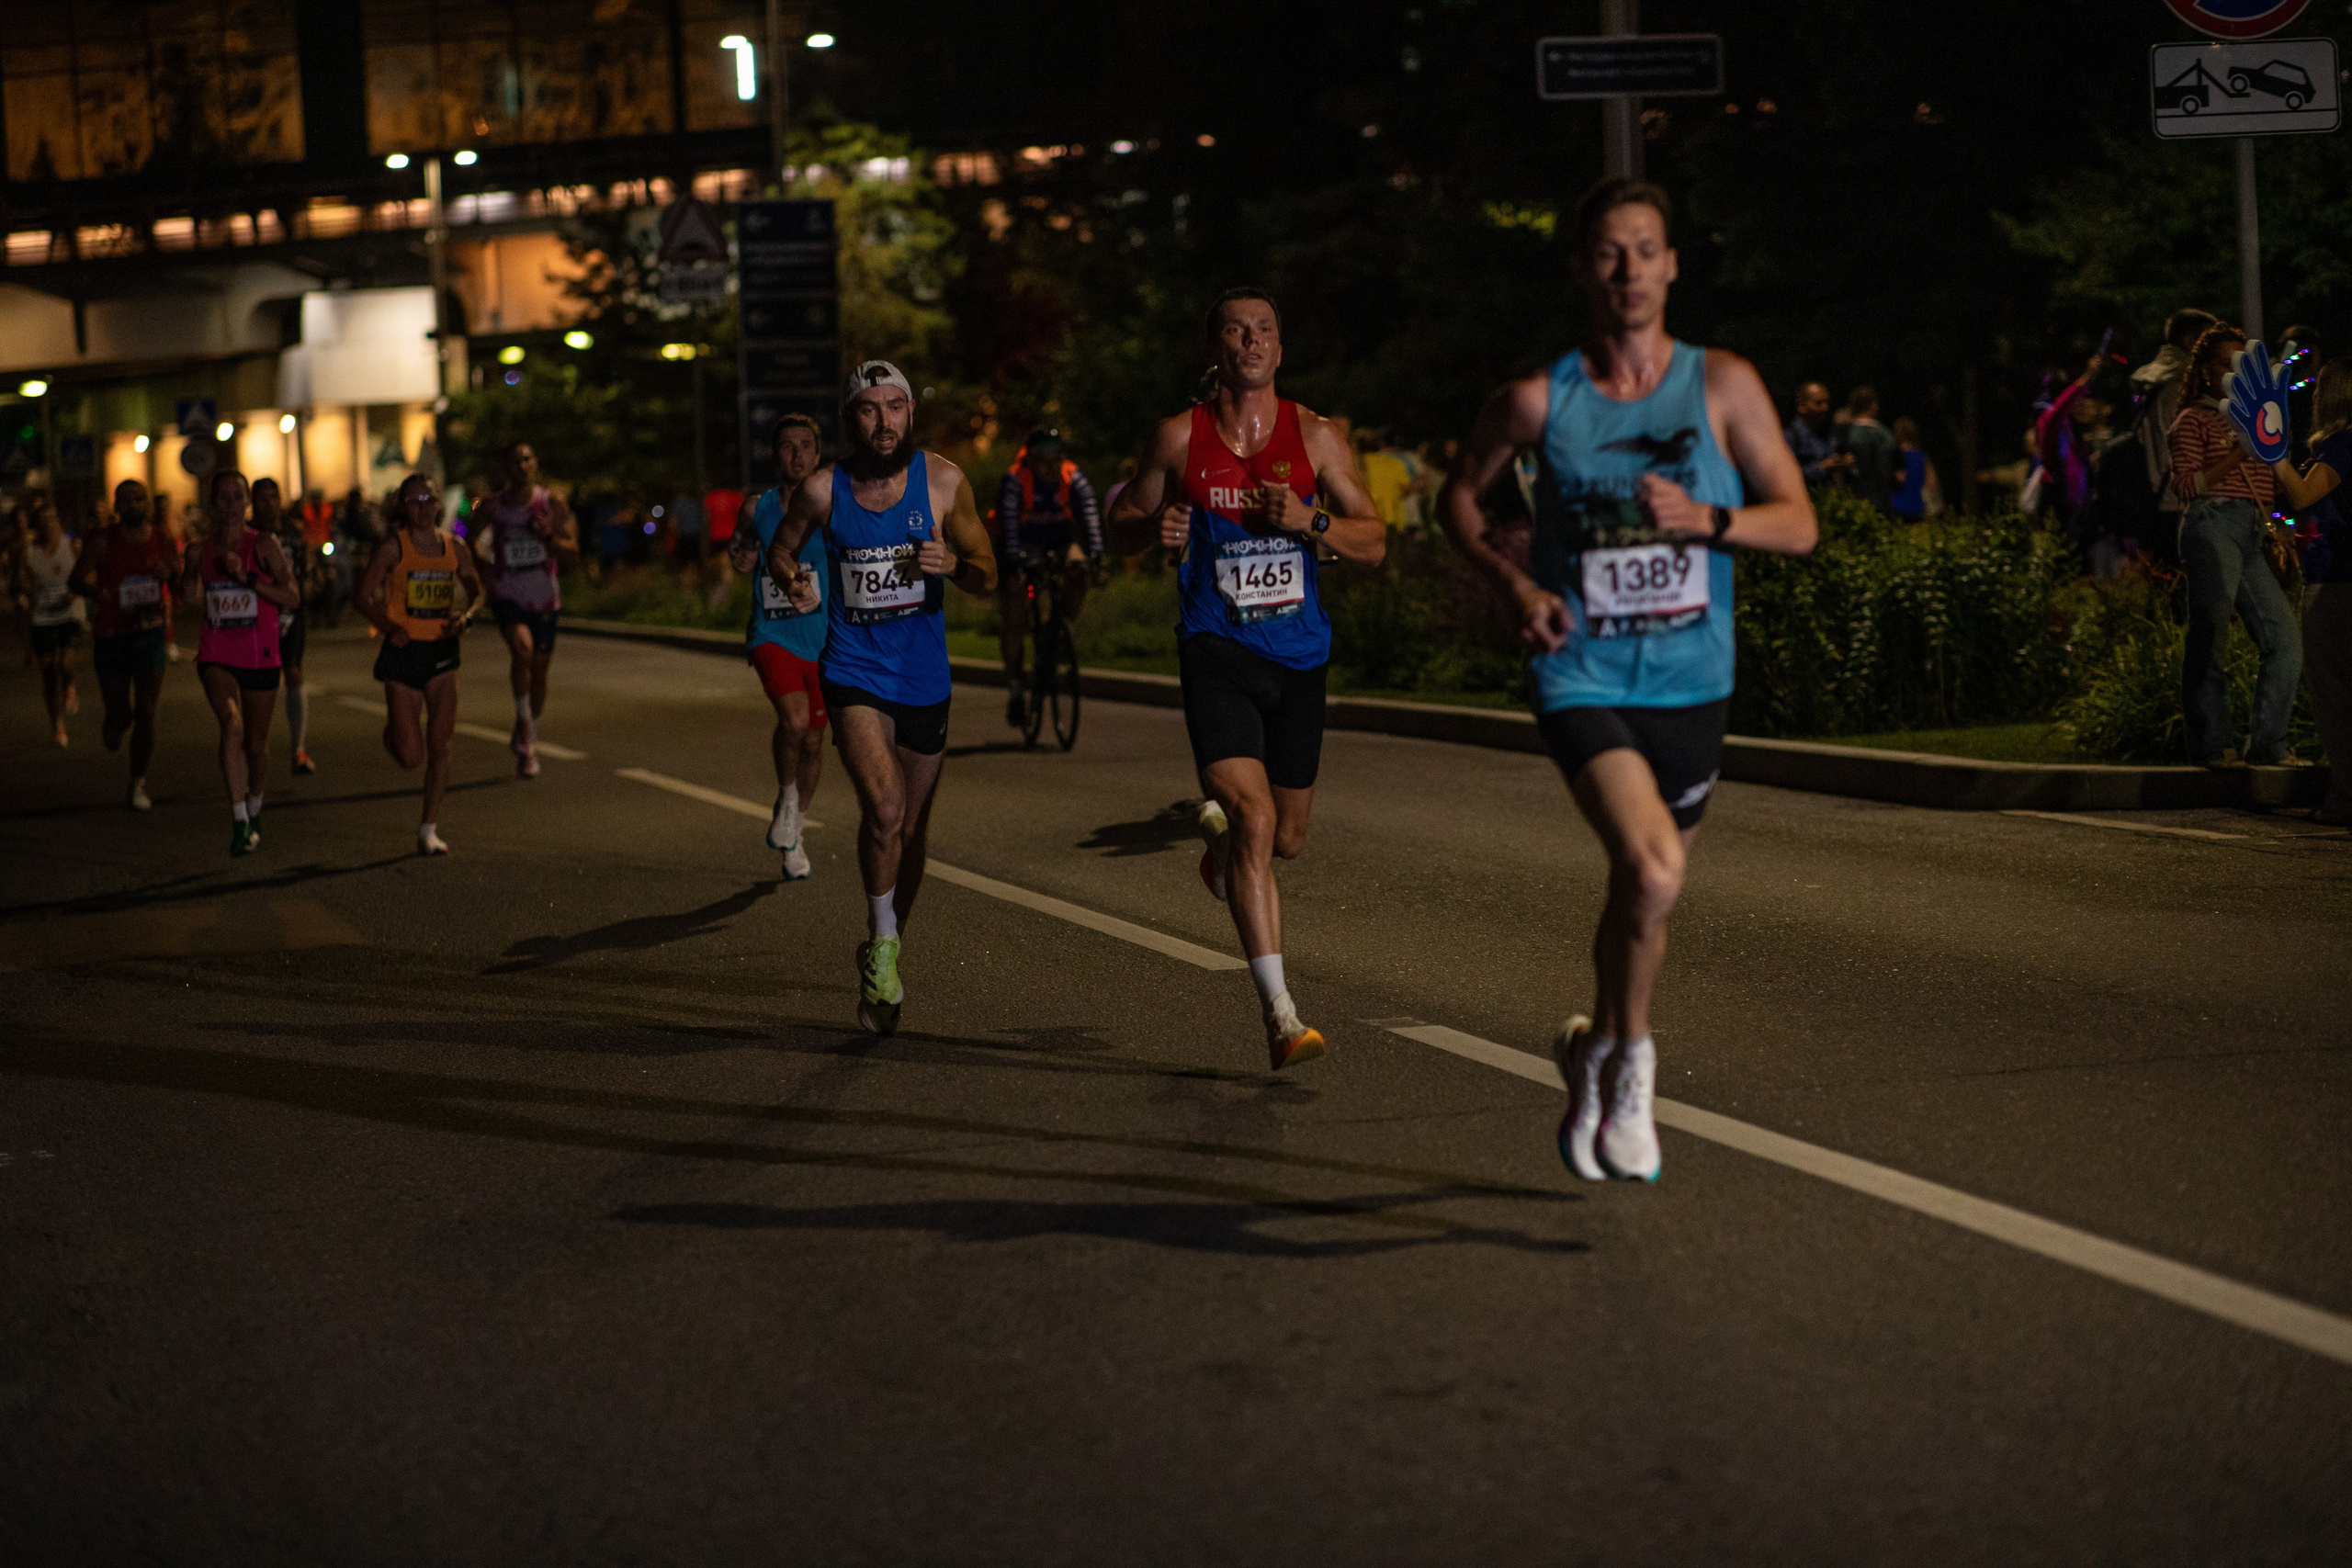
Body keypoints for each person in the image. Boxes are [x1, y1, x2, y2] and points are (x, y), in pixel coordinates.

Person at [1441, 179, 1817, 1182]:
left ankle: (1590, 1049)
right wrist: (1516, 587)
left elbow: (1799, 520)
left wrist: (1710, 521)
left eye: (1647, 250)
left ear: (1672, 266)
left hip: (1693, 679)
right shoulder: (1536, 401)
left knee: (1640, 896)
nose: (1629, 270)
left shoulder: (1723, 384)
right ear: (1581, 270)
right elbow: (1458, 502)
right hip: (1582, 671)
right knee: (1653, 870)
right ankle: (1635, 1063)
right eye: (1610, 252)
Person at [1105, 288, 1389, 1071]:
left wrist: (1312, 521)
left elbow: (1374, 544)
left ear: (1280, 348)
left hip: (1298, 658)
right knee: (1258, 819)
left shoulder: (1318, 436)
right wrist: (1150, 527)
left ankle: (1225, 851)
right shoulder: (1177, 436)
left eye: (1265, 328)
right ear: (1215, 350)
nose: (1252, 339)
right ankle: (1281, 1014)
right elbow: (1124, 522)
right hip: (1215, 647)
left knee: (1285, 839)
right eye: (1236, 328)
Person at [770, 362, 997, 1034]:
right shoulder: (821, 490)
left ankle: (886, 938)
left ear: (910, 415)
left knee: (912, 830)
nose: (884, 421)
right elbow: (781, 552)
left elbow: (989, 571)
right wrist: (795, 582)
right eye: (868, 410)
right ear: (850, 420)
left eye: (895, 406)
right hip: (853, 670)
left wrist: (956, 567)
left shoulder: (945, 482)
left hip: (924, 678)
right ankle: (882, 936)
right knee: (886, 808)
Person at [2167, 322, 2301, 768]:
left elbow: (2270, 489)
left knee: (2284, 638)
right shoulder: (2192, 420)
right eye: (2225, 365)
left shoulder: (2255, 420)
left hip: (2249, 528)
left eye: (2240, 366)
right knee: (2211, 632)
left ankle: (2267, 743)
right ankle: (2212, 744)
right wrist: (2242, 450)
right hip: (2211, 521)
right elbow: (2186, 486)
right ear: (2205, 371)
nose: (2233, 374)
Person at [359, 473, 483, 855]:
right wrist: (387, 626)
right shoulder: (393, 549)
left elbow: (478, 590)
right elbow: (362, 596)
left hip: (443, 654)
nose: (422, 508)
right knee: (411, 757)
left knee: (440, 747)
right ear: (403, 508)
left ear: (439, 505)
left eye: (428, 500)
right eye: (413, 501)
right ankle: (393, 734)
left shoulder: (455, 547)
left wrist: (466, 617)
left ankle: (428, 828)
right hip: (403, 653)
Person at [730, 413, 831, 880]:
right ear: (775, 455)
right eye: (786, 447)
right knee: (793, 719)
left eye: (805, 446)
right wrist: (743, 555)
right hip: (773, 633)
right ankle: (788, 796)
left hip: (825, 637)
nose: (796, 456)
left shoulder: (833, 507)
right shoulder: (758, 507)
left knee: (814, 740)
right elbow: (740, 554)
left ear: (817, 453)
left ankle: (796, 824)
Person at [182, 470, 300, 856]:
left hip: (259, 652)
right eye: (223, 497)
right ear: (213, 502)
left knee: (255, 746)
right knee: (231, 726)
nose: (230, 505)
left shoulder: (263, 544)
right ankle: (237, 820)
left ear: (247, 501)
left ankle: (254, 805)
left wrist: (248, 579)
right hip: (216, 650)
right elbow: (187, 596)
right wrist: (184, 576)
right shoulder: (200, 551)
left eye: (237, 497)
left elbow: (291, 597)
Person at [2267, 359, 2352, 821]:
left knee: (2335, 696)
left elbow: (2303, 496)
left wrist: (2273, 452)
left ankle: (2346, 799)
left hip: (2337, 581)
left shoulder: (2341, 445)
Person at [69, 480, 179, 809]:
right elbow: (75, 578)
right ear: (117, 507)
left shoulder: (162, 539)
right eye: (125, 501)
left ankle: (137, 783)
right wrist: (95, 592)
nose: (133, 505)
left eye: (139, 499)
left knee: (146, 712)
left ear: (147, 503)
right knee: (122, 715)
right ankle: (114, 722)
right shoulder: (103, 540)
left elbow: (177, 577)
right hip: (112, 636)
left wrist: (167, 573)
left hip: (149, 634)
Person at [474, 441, 579, 779]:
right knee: (522, 650)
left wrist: (549, 538)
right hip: (509, 593)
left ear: (535, 463)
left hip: (545, 597)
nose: (522, 464)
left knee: (540, 673)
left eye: (527, 458)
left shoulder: (551, 503)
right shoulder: (494, 507)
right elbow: (465, 540)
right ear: (506, 467)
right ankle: (522, 724)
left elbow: (573, 552)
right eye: (515, 459)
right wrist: (483, 566)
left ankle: (529, 738)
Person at [996, 428, 1102, 728]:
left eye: (1054, 460)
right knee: (1015, 616)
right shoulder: (1015, 481)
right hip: (1022, 544)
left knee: (1077, 565)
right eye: (1042, 460)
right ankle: (1016, 689)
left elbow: (1090, 520)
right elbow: (1009, 530)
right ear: (1030, 460)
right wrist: (1014, 567)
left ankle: (1059, 626)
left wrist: (1097, 559)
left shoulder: (1075, 479)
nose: (1048, 467)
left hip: (1059, 540)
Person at [251, 478, 317, 775]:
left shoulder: (293, 532)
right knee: (258, 683)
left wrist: (311, 583)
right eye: (261, 498)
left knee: (293, 672)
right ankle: (252, 749)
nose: (268, 503)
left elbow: (306, 567)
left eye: (273, 497)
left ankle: (298, 748)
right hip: (256, 616)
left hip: (290, 614)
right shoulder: (249, 534)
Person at [15, 496, 85, 746]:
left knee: (65, 666)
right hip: (42, 617)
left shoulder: (71, 546)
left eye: (53, 519)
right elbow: (20, 582)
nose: (49, 524)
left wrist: (74, 593)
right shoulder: (29, 552)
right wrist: (26, 590)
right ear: (37, 526)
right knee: (47, 673)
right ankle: (57, 722)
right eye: (43, 521)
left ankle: (70, 684)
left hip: (68, 614)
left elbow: (86, 573)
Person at [1781, 381, 1854, 488]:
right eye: (1818, 403)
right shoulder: (1790, 437)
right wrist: (1821, 469)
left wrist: (1843, 465)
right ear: (1801, 405)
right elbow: (1785, 477)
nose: (1825, 408)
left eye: (1827, 402)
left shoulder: (1828, 436)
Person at [1841, 386, 1897, 509]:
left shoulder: (1845, 433)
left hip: (1854, 499)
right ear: (1873, 405)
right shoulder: (1885, 434)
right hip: (1883, 498)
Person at [1888, 417, 1943, 522]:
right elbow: (1932, 484)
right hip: (1917, 508)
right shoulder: (1923, 458)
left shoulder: (1894, 457)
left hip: (1896, 507)